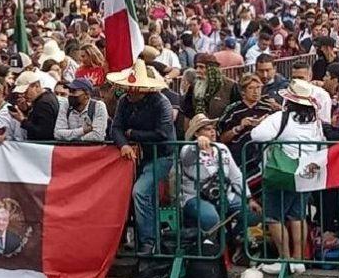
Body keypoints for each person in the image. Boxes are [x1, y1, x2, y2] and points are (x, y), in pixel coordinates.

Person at [251, 79, 324, 275]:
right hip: (306, 173)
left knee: (274, 216)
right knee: (297, 215)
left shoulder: (280, 118)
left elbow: (256, 135)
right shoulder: (315, 122)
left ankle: (284, 259)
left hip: (281, 172)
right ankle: (298, 259)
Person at [109, 60, 175, 254]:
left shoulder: (162, 103)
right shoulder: (124, 102)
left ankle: (149, 241)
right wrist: (123, 145)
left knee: (140, 192)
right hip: (142, 157)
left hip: (162, 155)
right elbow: (116, 127)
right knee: (143, 195)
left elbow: (162, 133)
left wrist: (131, 135)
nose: (129, 91)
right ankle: (146, 238)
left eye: (133, 88)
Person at [181, 114, 261, 233]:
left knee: (253, 214)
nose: (212, 132)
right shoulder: (187, 148)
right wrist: (197, 144)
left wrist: (249, 198)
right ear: (196, 133)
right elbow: (186, 157)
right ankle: (212, 247)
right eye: (207, 129)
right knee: (211, 218)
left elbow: (236, 176)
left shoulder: (222, 148)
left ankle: (232, 240)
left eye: (213, 128)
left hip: (225, 194)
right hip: (196, 196)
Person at [182, 53, 240, 119]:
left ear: (212, 70)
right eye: (196, 67)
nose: (197, 71)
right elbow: (188, 113)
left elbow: (237, 110)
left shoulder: (230, 86)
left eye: (201, 67)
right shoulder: (193, 87)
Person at [54, 77, 108, 142]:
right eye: (70, 91)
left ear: (87, 95)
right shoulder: (66, 105)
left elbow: (97, 136)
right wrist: (83, 131)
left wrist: (77, 140)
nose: (70, 94)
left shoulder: (98, 106)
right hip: (68, 151)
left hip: (92, 150)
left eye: (73, 91)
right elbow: (57, 134)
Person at [9, 71, 59, 141]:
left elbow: (44, 133)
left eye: (26, 91)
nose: (23, 95)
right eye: (21, 92)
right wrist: (26, 110)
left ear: (37, 86)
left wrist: (22, 120)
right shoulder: (47, 96)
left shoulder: (43, 104)